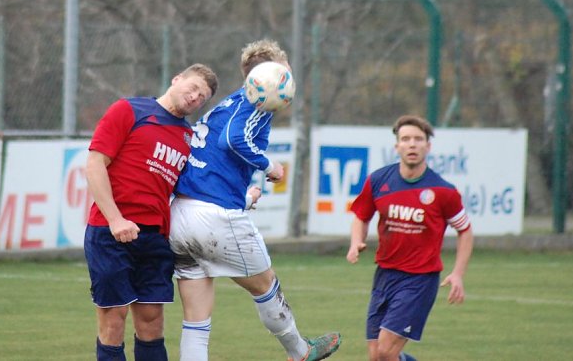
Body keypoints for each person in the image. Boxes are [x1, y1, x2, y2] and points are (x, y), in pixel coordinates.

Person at [170, 39, 341, 361]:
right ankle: (300, 351)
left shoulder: (228, 104)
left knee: (196, 318)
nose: (289, 83)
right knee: (266, 286)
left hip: (181, 214)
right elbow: (233, 139)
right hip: (213, 215)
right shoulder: (256, 102)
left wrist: (242, 195)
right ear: (271, 77)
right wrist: (269, 165)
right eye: (286, 74)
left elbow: (214, 159)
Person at [84, 63, 219, 361]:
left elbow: (193, 187)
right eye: (194, 87)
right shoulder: (130, 111)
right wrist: (116, 219)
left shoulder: (189, 138)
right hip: (110, 233)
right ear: (177, 79)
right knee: (113, 319)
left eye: (203, 97)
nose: (196, 97)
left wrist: (244, 196)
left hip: (155, 237)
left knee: (151, 322)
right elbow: (95, 165)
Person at [346, 115, 473, 361]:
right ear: (397, 147)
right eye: (405, 139)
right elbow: (361, 215)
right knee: (377, 356)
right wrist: (356, 241)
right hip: (384, 275)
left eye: (418, 139)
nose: (412, 144)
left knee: (385, 351)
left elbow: (465, 230)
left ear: (428, 146)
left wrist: (458, 273)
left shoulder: (443, 191)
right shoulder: (379, 180)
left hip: (419, 281)